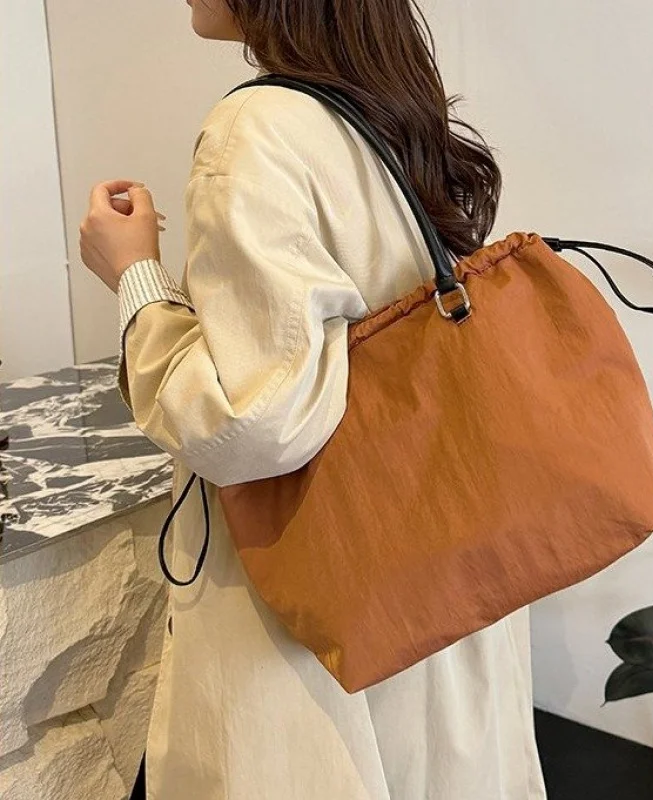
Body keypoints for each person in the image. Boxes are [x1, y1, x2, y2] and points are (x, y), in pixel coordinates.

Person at [78, 1, 548, 798]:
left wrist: (136, 279)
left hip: (321, 598)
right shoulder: (389, 102)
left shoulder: (255, 127)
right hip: (435, 562)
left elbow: (249, 421)